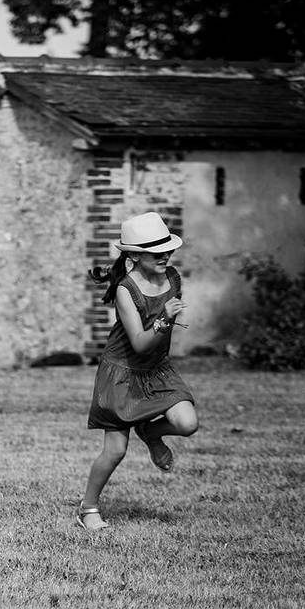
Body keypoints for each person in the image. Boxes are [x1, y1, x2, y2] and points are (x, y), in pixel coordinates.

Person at [78, 212, 199, 531]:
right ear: (134, 255)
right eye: (155, 251)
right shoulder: (124, 290)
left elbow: (156, 345)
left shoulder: (173, 278)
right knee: (115, 450)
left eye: (167, 249)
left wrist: (167, 319)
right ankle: (88, 507)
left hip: (157, 369)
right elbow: (141, 342)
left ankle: (150, 432)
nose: (164, 255)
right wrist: (165, 320)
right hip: (123, 372)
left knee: (187, 423)